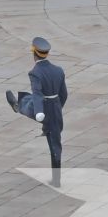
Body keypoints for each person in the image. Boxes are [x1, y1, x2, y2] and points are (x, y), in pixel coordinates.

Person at [7, 36, 68, 173]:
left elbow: (38, 93)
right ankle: (56, 177)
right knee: (54, 140)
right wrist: (58, 108)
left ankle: (17, 106)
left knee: (27, 103)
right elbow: (64, 94)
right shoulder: (58, 70)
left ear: (34, 54)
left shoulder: (35, 73)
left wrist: (40, 112)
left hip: (41, 107)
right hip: (55, 107)